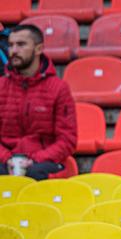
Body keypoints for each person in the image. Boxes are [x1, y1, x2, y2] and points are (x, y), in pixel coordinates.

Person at [0, 24, 77, 180]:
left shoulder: (58, 88)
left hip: (43, 161)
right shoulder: (1, 86)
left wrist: (35, 159)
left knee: (35, 172)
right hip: (6, 159)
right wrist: (7, 158)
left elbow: (67, 140)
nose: (13, 51)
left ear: (39, 49)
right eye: (11, 45)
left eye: (21, 45)